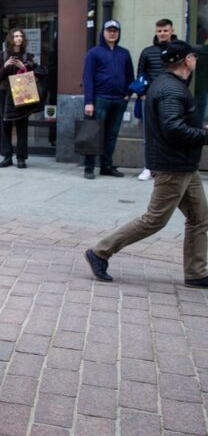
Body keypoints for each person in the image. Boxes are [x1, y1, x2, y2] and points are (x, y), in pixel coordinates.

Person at [84, 41, 208, 288]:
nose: (196, 59)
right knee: (154, 220)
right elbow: (173, 128)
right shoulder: (171, 89)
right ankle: (100, 252)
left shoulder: (169, 85)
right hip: (173, 165)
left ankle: (196, 272)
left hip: (184, 165)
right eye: (193, 56)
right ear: (187, 60)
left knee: (199, 217)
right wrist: (204, 134)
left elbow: (174, 123)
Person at [81, 20, 134, 179]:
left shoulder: (124, 53)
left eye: (115, 31)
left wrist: (127, 94)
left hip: (119, 100)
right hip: (100, 99)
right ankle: (89, 167)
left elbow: (130, 76)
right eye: (109, 30)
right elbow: (88, 78)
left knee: (111, 135)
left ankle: (106, 166)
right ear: (103, 32)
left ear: (118, 33)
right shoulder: (94, 53)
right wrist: (89, 102)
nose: (112, 33)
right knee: (93, 133)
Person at [135, 19, 177, 181]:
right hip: (150, 100)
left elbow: (185, 73)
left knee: (170, 133)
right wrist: (142, 94)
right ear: (156, 32)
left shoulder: (179, 50)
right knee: (149, 135)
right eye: (159, 31)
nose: (162, 33)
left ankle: (167, 167)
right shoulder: (147, 52)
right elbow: (140, 74)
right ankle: (149, 167)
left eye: (165, 30)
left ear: (172, 31)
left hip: (171, 100)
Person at [0, 28, 36, 169]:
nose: (18, 38)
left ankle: (21, 158)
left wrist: (24, 67)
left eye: (20, 36)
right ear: (11, 39)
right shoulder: (2, 55)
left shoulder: (27, 56)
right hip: (6, 92)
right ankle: (7, 157)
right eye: (15, 36)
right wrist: (5, 66)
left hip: (21, 92)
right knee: (5, 125)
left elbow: (32, 75)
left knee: (22, 125)